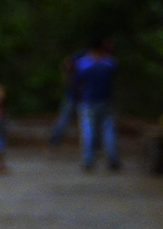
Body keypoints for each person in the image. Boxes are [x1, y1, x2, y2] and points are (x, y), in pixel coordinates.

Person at [75, 37, 120, 171]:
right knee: (108, 131)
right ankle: (112, 159)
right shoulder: (110, 62)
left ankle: (88, 160)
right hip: (106, 100)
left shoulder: (83, 63)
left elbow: (77, 80)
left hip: (88, 100)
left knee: (88, 131)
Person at [48, 50, 79, 145]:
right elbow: (65, 62)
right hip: (73, 92)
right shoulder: (84, 55)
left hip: (86, 94)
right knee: (64, 116)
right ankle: (55, 138)